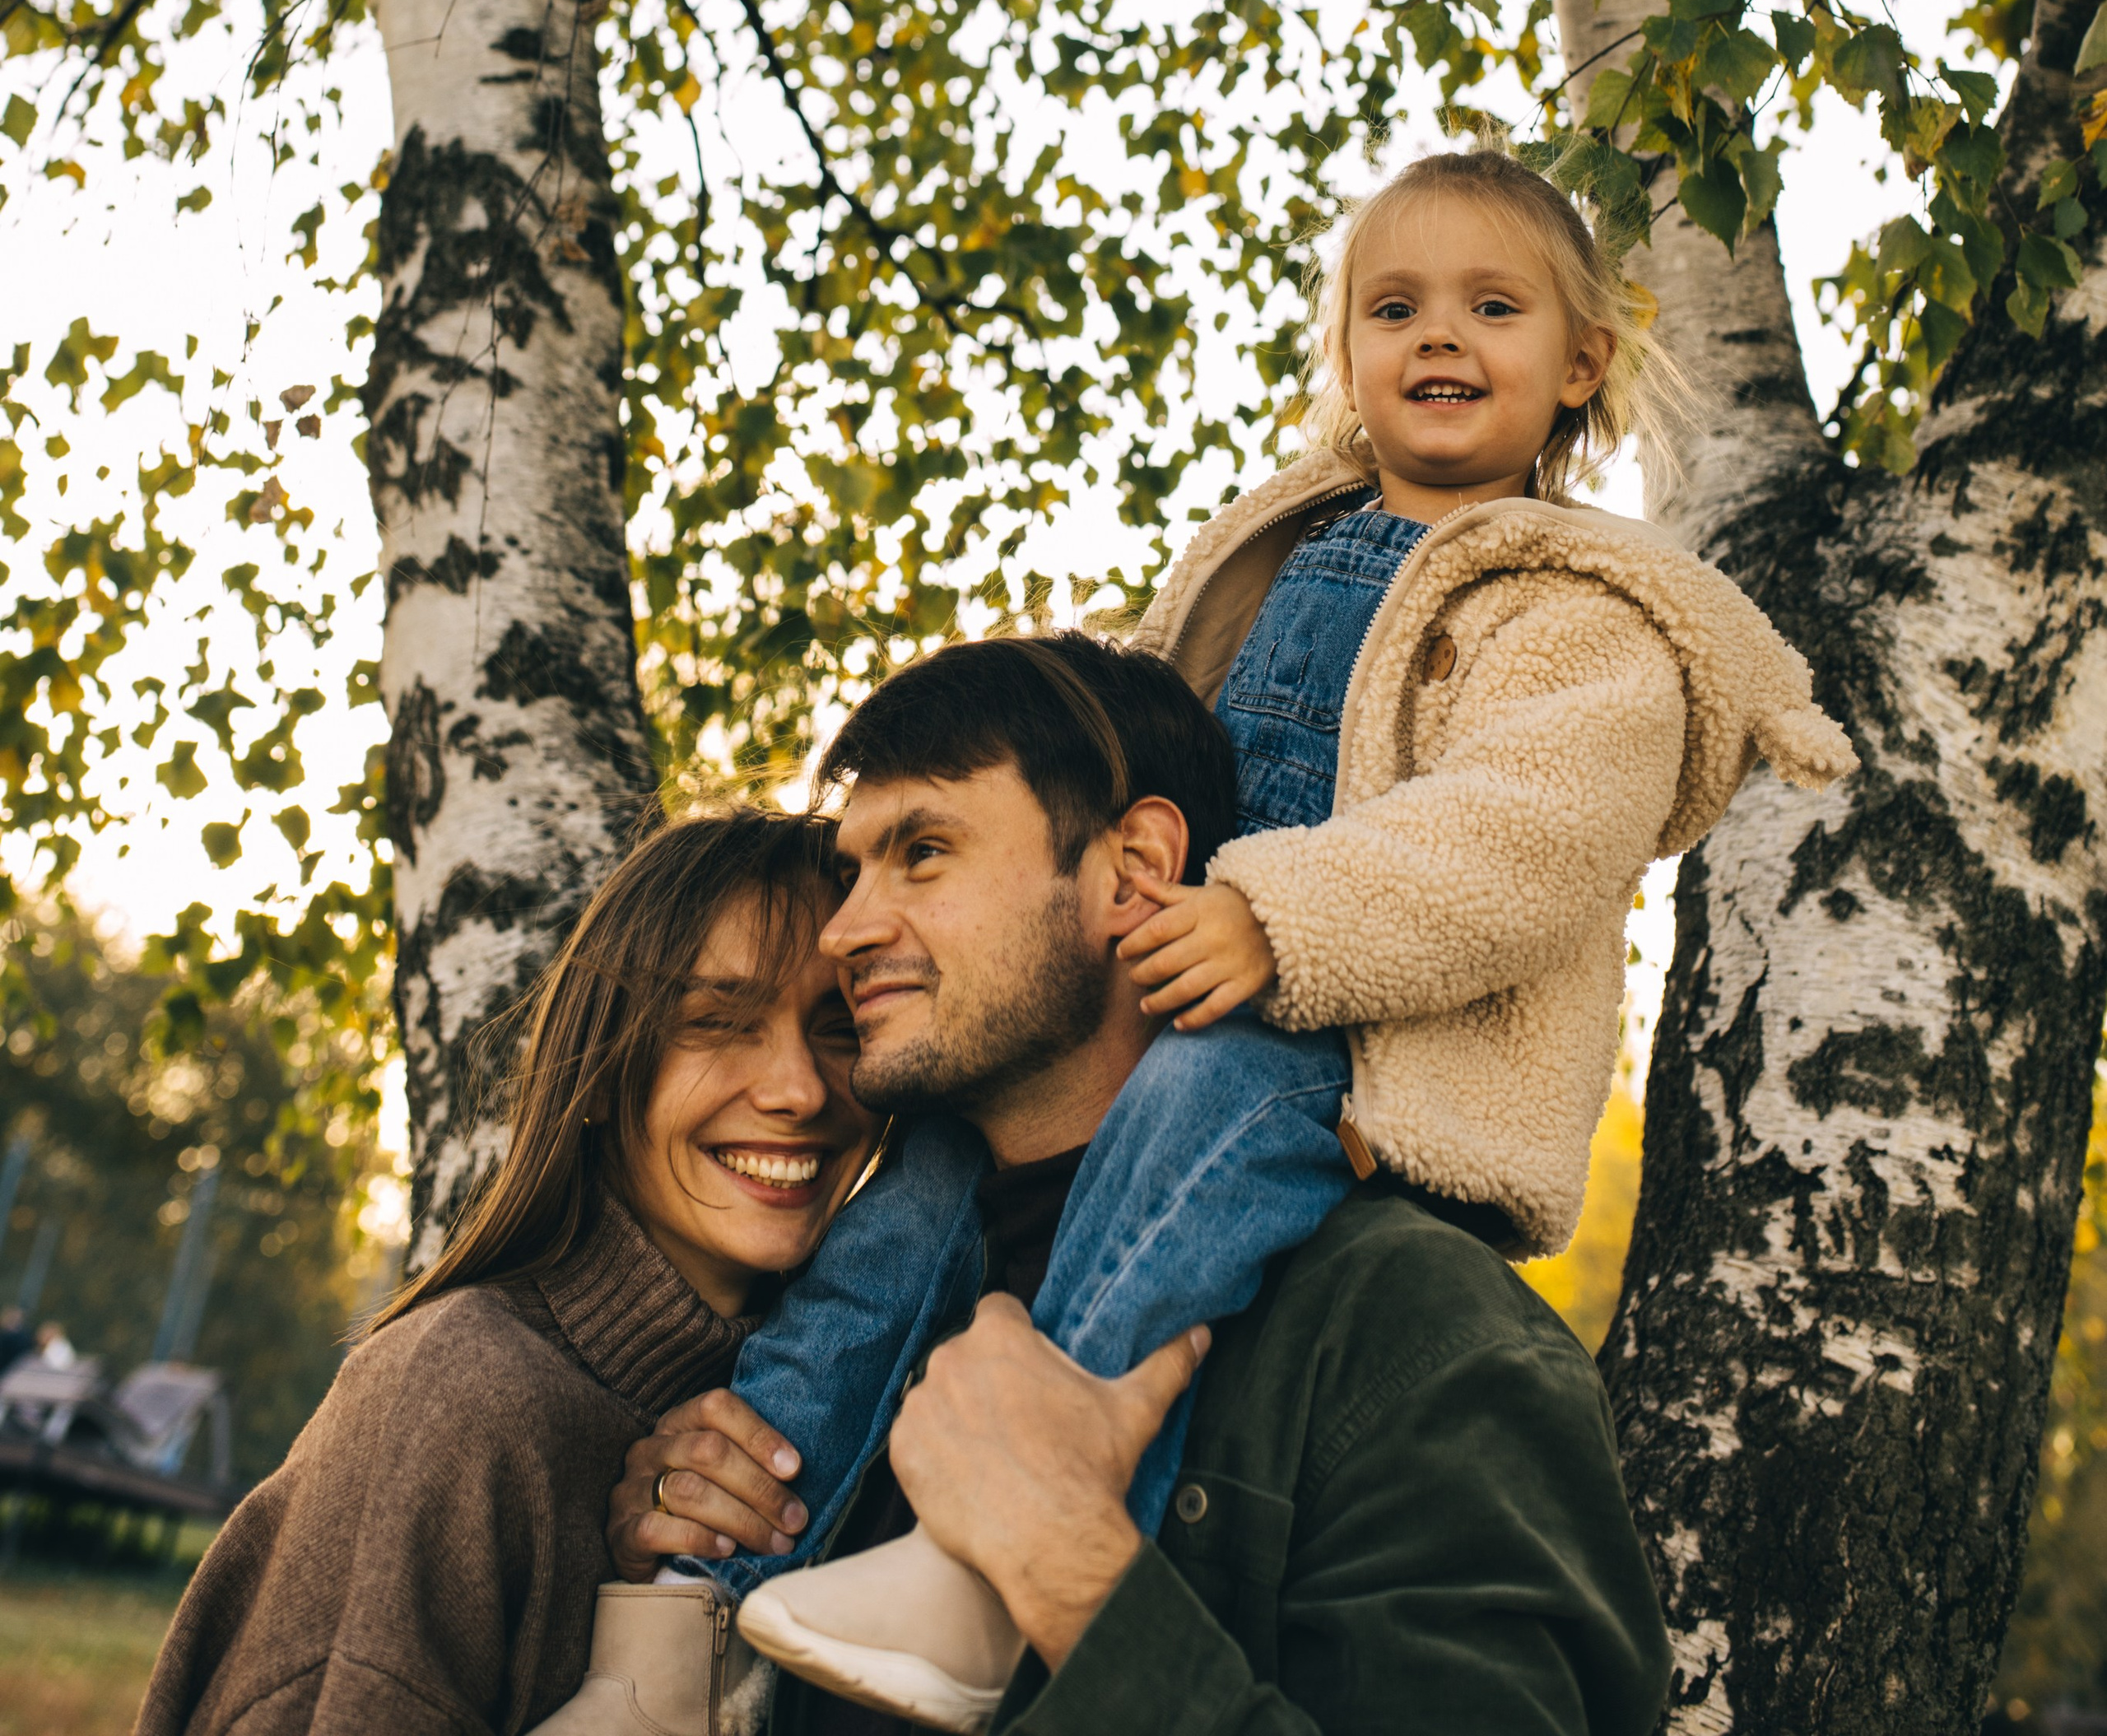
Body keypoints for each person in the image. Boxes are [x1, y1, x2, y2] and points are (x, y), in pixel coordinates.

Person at [628, 143, 1858, 1729]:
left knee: (1200, 1104)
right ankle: (682, 1619)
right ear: (1343, 353)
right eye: (1392, 307)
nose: (1437, 339)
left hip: (1345, 1041)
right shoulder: (1271, 547)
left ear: (1582, 366)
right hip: (1202, 985)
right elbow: (1133, 734)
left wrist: (1275, 922)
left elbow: (1523, 838)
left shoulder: (1582, 614)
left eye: (1492, 307)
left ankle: (983, 1575)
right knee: (902, 1203)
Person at [610, 626, 1678, 1736]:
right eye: (851, 869)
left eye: (923, 852)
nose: (846, 931)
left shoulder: (1406, 1329)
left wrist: (1076, 1577)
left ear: (1136, 873)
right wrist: (682, 1515)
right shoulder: (841, 1307)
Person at [137, 810, 881, 1736]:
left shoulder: (851, 1401)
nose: (800, 1089)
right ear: (603, 1073)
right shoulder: (460, 1392)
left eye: (841, 1029)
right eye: (720, 1023)